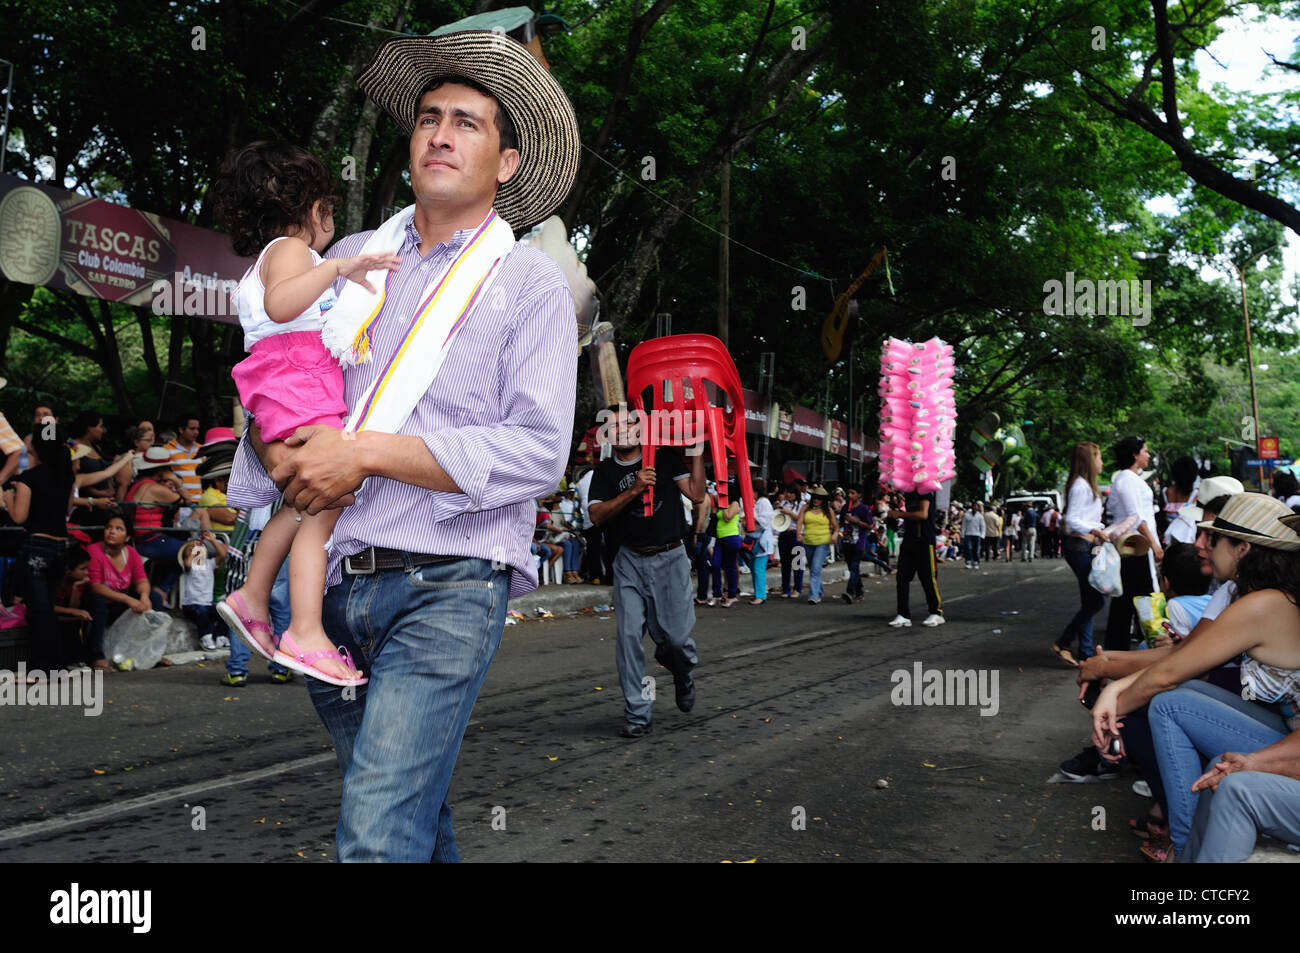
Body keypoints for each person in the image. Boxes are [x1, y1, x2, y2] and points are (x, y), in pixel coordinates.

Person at [227, 31, 580, 861]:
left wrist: (367, 453)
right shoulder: (347, 258)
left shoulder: (529, 283)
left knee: (378, 829)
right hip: (326, 591)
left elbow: (538, 450)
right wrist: (271, 450)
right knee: (409, 817)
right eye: (428, 118)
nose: (441, 134)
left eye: (467, 122)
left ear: (509, 162)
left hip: (445, 586)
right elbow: (270, 376)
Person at [212, 140, 403, 687]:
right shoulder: (292, 252)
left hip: (283, 384)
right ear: (308, 208)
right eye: (329, 211)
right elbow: (282, 306)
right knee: (326, 503)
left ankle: (252, 594)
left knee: (303, 501)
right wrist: (340, 267)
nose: (332, 225)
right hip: (298, 382)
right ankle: (304, 630)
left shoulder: (270, 260)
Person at [1091, 493, 1300, 861]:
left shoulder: (1264, 603)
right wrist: (1117, 689)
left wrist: (1112, 705)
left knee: (1173, 707)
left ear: (1242, 549)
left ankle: (1184, 847)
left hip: (1290, 740)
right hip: (1289, 733)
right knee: (1178, 700)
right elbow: (1181, 662)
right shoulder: (1260, 596)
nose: (1201, 545)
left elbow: (1173, 669)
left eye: (1214, 538)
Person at [590, 403, 705, 735]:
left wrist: (696, 451)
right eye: (615, 426)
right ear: (607, 435)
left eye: (629, 422)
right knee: (628, 639)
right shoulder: (604, 471)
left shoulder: (665, 456)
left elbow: (697, 495)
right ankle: (638, 715)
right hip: (629, 561)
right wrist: (635, 489)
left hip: (670, 558)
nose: (623, 429)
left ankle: (683, 673)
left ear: (640, 428)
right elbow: (596, 515)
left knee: (676, 641)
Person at [4, 435, 135, 676]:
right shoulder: (65, 480)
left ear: (39, 455)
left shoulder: (27, 479)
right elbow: (65, 511)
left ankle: (41, 668)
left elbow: (19, 518)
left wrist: (8, 497)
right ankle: (56, 664)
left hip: (37, 547)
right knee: (49, 607)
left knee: (39, 610)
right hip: (60, 549)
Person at [1103, 436, 1164, 652]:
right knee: (1147, 596)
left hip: (1134, 546)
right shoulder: (1127, 479)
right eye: (1145, 451)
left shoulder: (1129, 479)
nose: (1148, 455)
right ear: (1134, 454)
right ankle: (1158, 643)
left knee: (1127, 599)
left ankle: (1116, 648)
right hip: (1136, 545)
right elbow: (1135, 516)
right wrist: (1154, 545)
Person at [1053, 442, 1108, 666]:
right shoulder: (1080, 486)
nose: (1101, 462)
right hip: (1079, 546)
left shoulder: (1085, 486)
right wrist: (1095, 529)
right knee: (1095, 602)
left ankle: (1085, 651)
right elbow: (1072, 519)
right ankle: (1063, 643)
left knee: (1089, 601)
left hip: (1084, 545)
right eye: (1099, 457)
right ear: (1089, 460)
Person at [84, 514, 160, 671]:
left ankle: (150, 652)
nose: (111, 532)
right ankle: (97, 657)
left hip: (119, 605)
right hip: (98, 604)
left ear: (127, 537)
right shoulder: (94, 551)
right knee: (97, 600)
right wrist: (128, 599)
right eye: (109, 528)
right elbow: (95, 586)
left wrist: (144, 597)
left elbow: (141, 580)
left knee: (155, 598)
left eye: (118, 529)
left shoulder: (131, 553)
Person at [888, 486, 943, 627]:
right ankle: (903, 614)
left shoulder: (924, 493)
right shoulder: (909, 494)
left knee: (928, 578)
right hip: (909, 540)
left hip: (924, 541)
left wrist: (899, 515)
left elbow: (923, 514)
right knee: (902, 578)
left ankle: (936, 613)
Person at [179, 533, 230, 651]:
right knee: (200, 611)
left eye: (199, 548)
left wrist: (212, 540)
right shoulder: (188, 565)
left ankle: (220, 636)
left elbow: (223, 554)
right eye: (191, 549)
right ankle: (206, 637)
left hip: (207, 605)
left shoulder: (210, 564)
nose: (197, 550)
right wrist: (194, 550)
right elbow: (187, 563)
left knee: (226, 611)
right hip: (191, 605)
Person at [796, 485, 838, 604]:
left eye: (819, 498)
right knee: (813, 568)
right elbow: (799, 521)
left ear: (823, 500)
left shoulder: (828, 511)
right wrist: (798, 533)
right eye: (815, 497)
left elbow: (836, 526)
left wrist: (835, 534)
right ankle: (818, 591)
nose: (816, 500)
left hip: (823, 542)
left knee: (815, 568)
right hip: (808, 541)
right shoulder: (806, 508)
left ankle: (813, 596)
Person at [838, 484, 872, 603]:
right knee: (853, 569)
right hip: (847, 542)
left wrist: (856, 521)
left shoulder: (864, 509)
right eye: (849, 493)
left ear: (859, 495)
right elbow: (841, 523)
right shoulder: (845, 507)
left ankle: (850, 592)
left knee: (854, 567)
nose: (850, 495)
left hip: (858, 543)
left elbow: (869, 526)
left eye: (853, 493)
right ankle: (860, 592)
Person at [742, 478, 773, 604]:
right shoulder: (758, 502)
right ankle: (758, 594)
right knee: (755, 568)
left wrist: (752, 519)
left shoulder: (764, 502)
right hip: (756, 539)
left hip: (761, 540)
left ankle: (760, 595)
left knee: (758, 568)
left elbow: (765, 521)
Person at [710, 484, 742, 607]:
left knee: (730, 567)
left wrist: (722, 506)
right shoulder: (721, 505)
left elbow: (728, 517)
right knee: (715, 564)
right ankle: (717, 594)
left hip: (731, 537)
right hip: (720, 537)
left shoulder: (734, 503)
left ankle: (732, 595)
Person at [164, 417, 204, 507]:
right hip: (181, 502)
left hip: (201, 502)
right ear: (181, 430)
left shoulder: (203, 449)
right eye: (192, 429)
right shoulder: (167, 449)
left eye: (197, 429)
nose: (196, 432)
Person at [775, 483, 804, 598]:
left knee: (797, 563)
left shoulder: (802, 505)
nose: (788, 495)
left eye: (791, 493)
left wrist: (790, 513)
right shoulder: (784, 503)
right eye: (787, 492)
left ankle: (797, 588)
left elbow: (801, 519)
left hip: (796, 534)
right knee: (785, 563)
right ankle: (785, 588)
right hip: (783, 534)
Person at [961, 501, 985, 569]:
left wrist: (982, 535)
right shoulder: (966, 515)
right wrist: (962, 535)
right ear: (972, 507)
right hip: (968, 534)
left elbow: (983, 526)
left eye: (976, 506)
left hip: (977, 534)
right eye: (974, 506)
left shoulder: (980, 516)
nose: (975, 508)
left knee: (976, 549)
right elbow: (964, 525)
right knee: (969, 548)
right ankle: (968, 561)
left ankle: (976, 562)